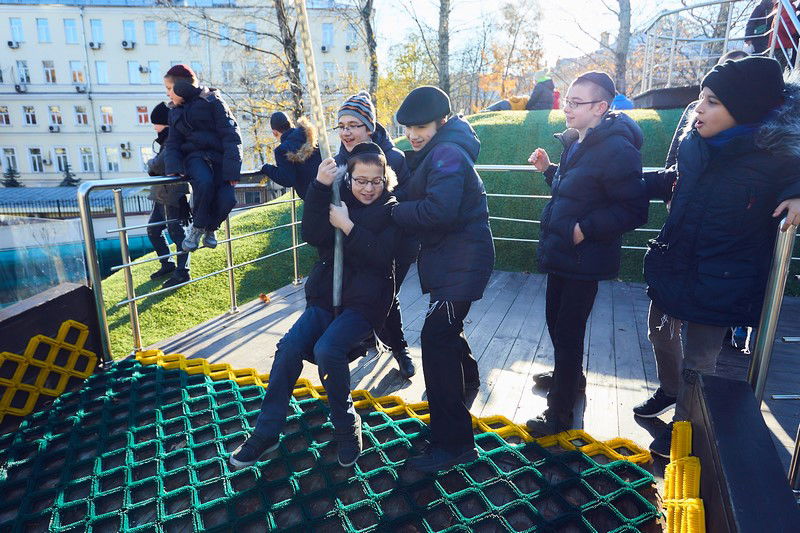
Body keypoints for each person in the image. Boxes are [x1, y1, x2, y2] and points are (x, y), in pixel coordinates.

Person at [636, 56, 800, 457]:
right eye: (699, 99)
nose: (698, 110)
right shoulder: (694, 144)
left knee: (701, 359)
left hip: (722, 278)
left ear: (742, 109)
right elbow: (678, 179)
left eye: (711, 101)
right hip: (676, 261)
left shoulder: (777, 159)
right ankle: (670, 389)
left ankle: (684, 427)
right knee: (659, 332)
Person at [230, 143, 400, 469]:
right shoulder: (338, 199)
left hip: (365, 304)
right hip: (326, 297)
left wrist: (349, 228)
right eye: (361, 180)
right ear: (348, 179)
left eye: (375, 181)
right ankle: (266, 433)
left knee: (327, 349)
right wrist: (320, 187)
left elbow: (382, 257)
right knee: (289, 346)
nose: (368, 188)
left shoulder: (391, 210)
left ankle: (347, 427)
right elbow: (312, 234)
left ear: (385, 180)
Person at [525, 71, 648, 437]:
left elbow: (634, 210)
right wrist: (550, 171)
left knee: (567, 332)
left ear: (600, 107)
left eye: (576, 103)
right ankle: (570, 378)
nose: (567, 108)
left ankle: (558, 413)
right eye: (568, 101)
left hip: (583, 259)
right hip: (563, 253)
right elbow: (576, 190)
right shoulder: (578, 141)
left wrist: (585, 229)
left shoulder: (618, 150)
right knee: (557, 325)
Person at [392, 86, 495, 472]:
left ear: (443, 121)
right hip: (453, 261)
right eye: (409, 128)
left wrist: (392, 211)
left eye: (421, 126)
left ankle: (454, 444)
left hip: (461, 262)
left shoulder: (448, 153)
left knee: (436, 339)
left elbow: (439, 211)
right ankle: (466, 383)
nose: (414, 134)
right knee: (445, 331)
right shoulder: (440, 150)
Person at [333, 90, 416, 379]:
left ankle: (400, 348)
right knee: (357, 292)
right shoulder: (338, 163)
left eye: (352, 125)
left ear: (369, 127)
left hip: (391, 242)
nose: (345, 132)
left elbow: (405, 197)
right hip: (353, 241)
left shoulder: (394, 158)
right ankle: (364, 339)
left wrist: (381, 210)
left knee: (386, 295)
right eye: (341, 126)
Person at [162, 64, 242, 252]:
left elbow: (231, 135)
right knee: (204, 183)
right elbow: (172, 143)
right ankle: (197, 229)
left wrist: (232, 171)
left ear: (181, 87)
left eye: (169, 89)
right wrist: (173, 167)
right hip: (195, 158)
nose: (167, 94)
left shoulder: (213, 101)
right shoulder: (174, 111)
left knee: (228, 199)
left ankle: (211, 228)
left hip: (220, 160)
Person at [145, 102, 191, 289]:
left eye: (155, 123)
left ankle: (183, 272)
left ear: (164, 123)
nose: (154, 128)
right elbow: (157, 166)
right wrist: (154, 165)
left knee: (177, 233)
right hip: (160, 194)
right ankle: (168, 264)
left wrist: (150, 163)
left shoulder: (174, 139)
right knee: (153, 230)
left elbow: (157, 165)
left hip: (174, 195)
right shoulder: (166, 140)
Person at [260, 111, 322, 199]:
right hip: (328, 187)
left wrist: (266, 168)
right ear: (291, 124)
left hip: (312, 197)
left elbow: (287, 180)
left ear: (275, 132)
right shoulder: (311, 137)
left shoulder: (282, 150)